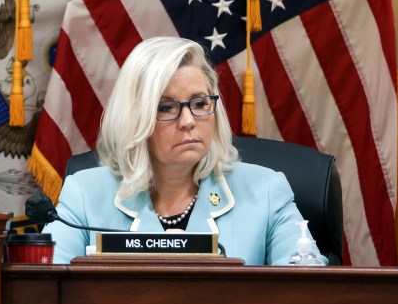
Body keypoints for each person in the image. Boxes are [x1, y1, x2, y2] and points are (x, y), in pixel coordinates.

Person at [43, 36, 325, 265]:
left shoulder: (266, 191)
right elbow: (46, 286)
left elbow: (305, 289)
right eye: (166, 108)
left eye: (200, 104)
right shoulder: (85, 194)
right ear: (135, 118)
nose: (188, 121)